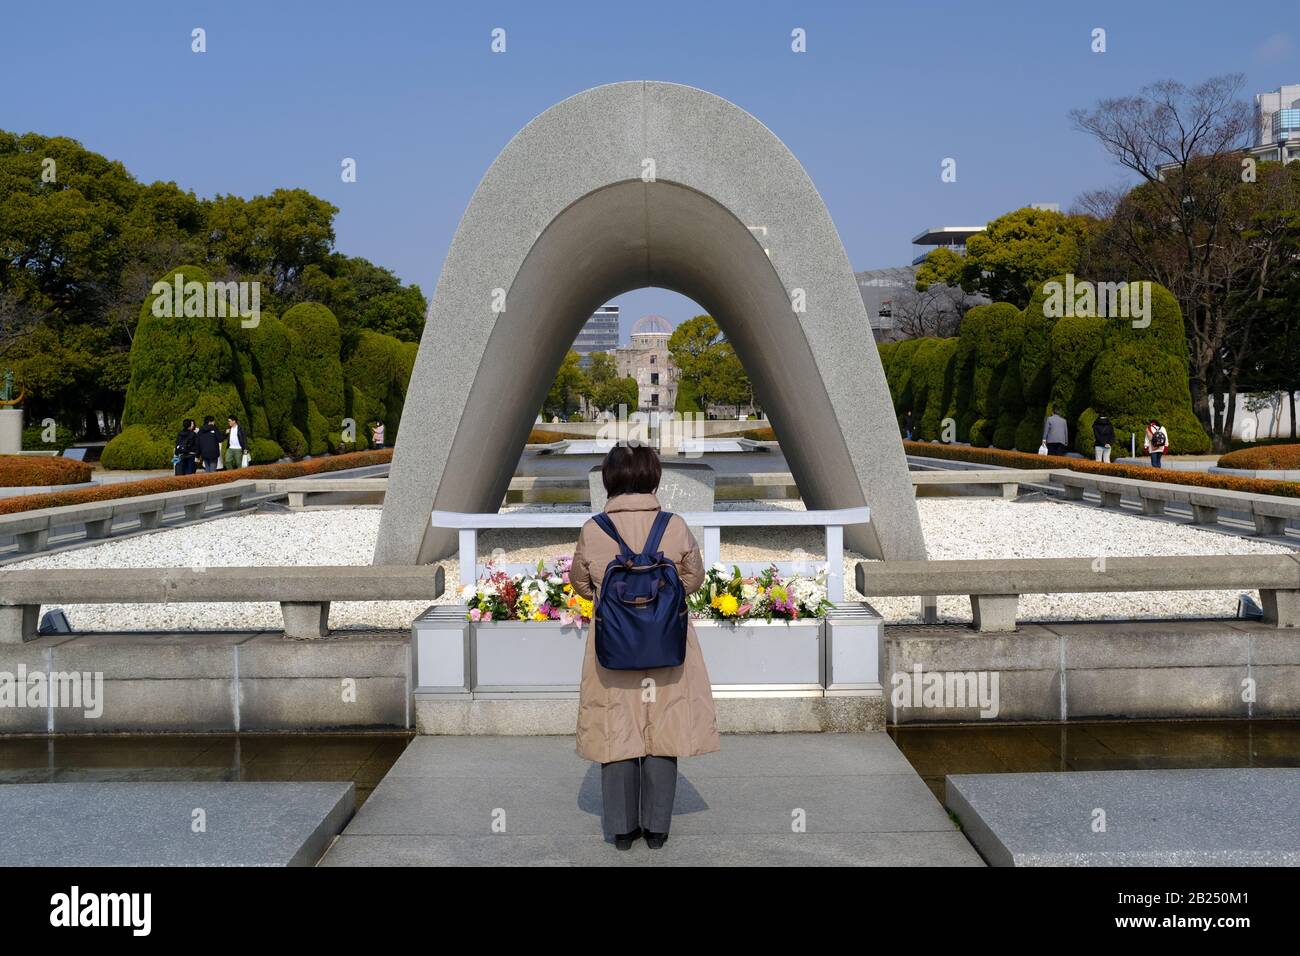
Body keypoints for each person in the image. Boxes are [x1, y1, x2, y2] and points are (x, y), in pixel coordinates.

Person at [570, 445, 720, 851]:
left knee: (614, 726)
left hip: (613, 645)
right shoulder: (673, 525)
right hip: (666, 642)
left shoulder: (593, 528)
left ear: (610, 479)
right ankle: (656, 828)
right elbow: (694, 578)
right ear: (653, 478)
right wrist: (658, 604)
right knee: (663, 726)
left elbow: (581, 584)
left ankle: (621, 830)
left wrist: (613, 601)